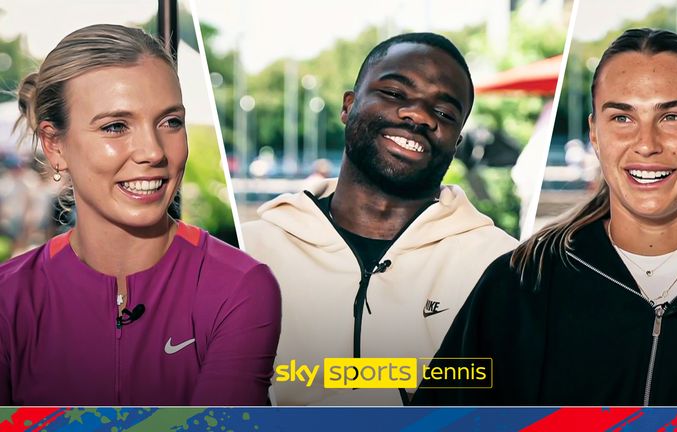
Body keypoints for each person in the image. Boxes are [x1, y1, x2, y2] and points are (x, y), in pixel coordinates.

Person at [414, 28, 677, 406]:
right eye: (622, 118)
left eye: (672, 117)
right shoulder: (522, 285)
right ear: (595, 135)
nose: (647, 144)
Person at [0, 24, 281, 405]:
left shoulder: (240, 287)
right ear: (55, 146)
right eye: (115, 126)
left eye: (170, 122)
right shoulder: (9, 298)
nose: (153, 151)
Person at [241, 32, 518, 405]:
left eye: (444, 113)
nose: (418, 115)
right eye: (394, 93)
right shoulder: (250, 251)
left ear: (457, 142)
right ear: (348, 106)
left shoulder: (503, 267)